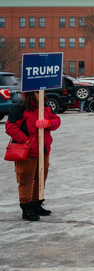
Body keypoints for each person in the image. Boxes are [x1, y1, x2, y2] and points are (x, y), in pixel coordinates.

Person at [5, 91, 61, 221]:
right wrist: (26, 141)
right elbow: (10, 127)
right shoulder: (20, 108)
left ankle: (37, 203)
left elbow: (56, 120)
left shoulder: (46, 107)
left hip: (43, 150)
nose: (42, 94)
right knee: (26, 178)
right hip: (26, 152)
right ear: (30, 93)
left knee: (41, 177)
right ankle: (26, 207)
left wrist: (48, 123)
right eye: (37, 92)